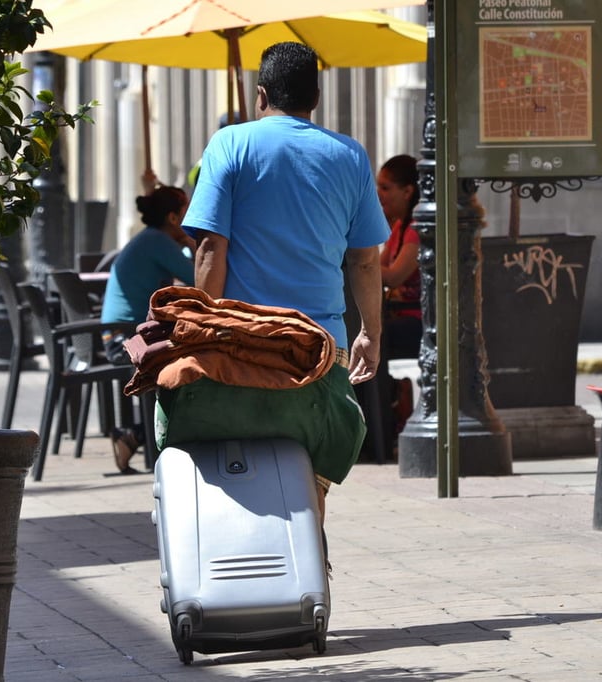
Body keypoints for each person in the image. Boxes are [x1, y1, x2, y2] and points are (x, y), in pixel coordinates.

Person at [162, 41, 389, 532]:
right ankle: (308, 574)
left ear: (260, 95)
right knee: (312, 478)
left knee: (215, 457)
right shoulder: (349, 155)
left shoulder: (229, 144)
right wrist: (370, 330)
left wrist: (208, 323)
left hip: (245, 344)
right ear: (317, 97)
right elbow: (366, 261)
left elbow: (209, 250)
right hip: (321, 349)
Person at [101, 184, 195, 472]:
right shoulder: (158, 241)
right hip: (125, 338)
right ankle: (149, 437)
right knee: (195, 361)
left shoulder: (150, 239)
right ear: (173, 218)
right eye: (187, 212)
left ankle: (135, 436)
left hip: (119, 334)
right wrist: (194, 243)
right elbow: (199, 277)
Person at [377, 154, 422, 359]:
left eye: (385, 188)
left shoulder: (415, 231)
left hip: (416, 319)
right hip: (398, 313)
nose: (378, 195)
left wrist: (356, 258)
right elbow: (378, 267)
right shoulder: (398, 227)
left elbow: (394, 276)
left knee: (376, 335)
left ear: (407, 192)